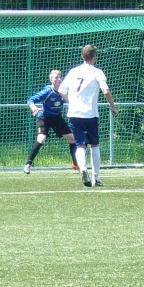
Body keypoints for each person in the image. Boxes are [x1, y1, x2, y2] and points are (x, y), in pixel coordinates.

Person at [58, 45, 118, 187]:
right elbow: (106, 91)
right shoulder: (97, 72)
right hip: (90, 114)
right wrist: (112, 106)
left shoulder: (73, 72)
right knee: (94, 144)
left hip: (74, 113)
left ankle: (83, 169)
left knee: (80, 145)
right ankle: (96, 178)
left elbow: (61, 90)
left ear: (82, 57)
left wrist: (71, 101)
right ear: (94, 57)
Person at [23, 70, 78, 174]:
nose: (58, 79)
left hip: (56, 117)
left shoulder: (64, 91)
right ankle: (28, 164)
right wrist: (34, 108)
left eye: (59, 77)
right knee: (41, 139)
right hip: (44, 117)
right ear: (51, 79)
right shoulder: (47, 92)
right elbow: (30, 100)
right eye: (56, 77)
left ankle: (75, 164)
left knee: (72, 138)